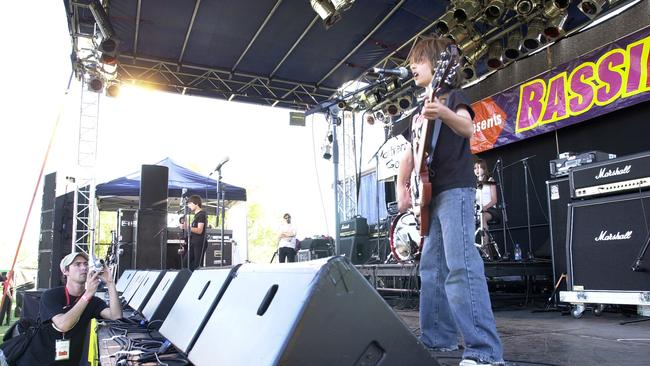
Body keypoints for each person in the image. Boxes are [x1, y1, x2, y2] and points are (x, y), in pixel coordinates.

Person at [396, 36, 504, 366]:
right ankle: (437, 338)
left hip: (455, 190)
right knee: (431, 269)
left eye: (419, 61)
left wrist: (442, 111)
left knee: (461, 267)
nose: (412, 66)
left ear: (439, 65)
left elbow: (468, 128)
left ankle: (484, 352)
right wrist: (403, 185)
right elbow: (409, 152)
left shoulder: (452, 96)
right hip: (429, 195)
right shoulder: (418, 110)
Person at [16, 252, 122, 366]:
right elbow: (63, 325)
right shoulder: (51, 295)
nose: (84, 267)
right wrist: (88, 294)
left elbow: (116, 316)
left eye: (86, 264)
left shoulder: (93, 301)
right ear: (65, 271)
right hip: (38, 361)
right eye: (77, 264)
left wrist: (110, 283)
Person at [474, 159, 500, 251]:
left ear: (484, 169)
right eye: (475, 168)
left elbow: (494, 200)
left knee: (482, 217)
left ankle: (486, 248)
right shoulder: (474, 184)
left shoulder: (490, 180)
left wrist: (485, 207)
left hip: (491, 210)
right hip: (478, 211)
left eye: (479, 167)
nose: (477, 170)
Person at [182, 195, 207, 271]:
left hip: (200, 243)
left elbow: (199, 230)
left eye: (190, 203)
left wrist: (187, 227)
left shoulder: (202, 215)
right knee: (185, 262)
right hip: (194, 242)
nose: (189, 206)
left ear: (196, 203)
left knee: (197, 265)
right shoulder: (196, 215)